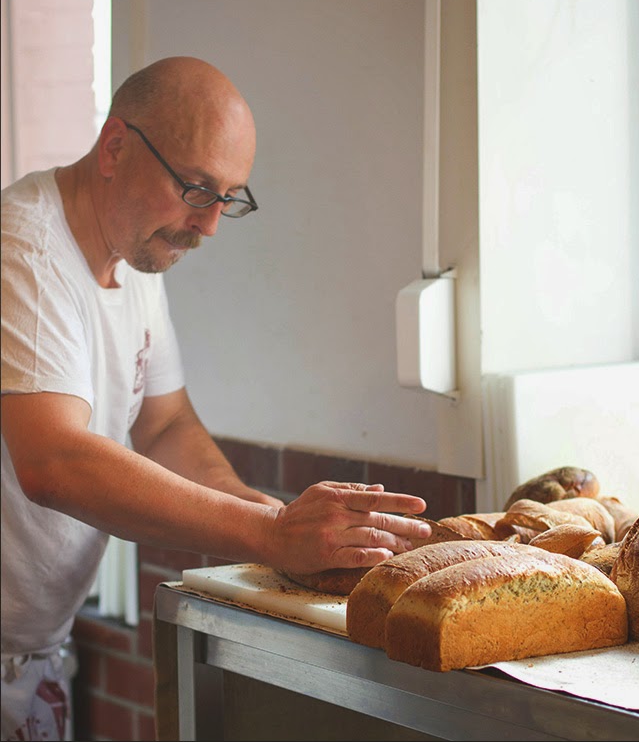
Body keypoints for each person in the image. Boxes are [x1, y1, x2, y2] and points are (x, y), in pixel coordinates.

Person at [0, 56, 431, 741]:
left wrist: (274, 516)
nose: (208, 227)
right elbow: (53, 461)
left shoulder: (132, 253)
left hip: (29, 654)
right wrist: (265, 535)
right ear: (115, 148)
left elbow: (165, 426)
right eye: (196, 189)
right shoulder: (25, 249)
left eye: (229, 198)